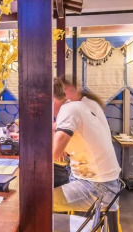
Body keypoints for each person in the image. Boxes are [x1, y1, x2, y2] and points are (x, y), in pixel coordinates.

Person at [52, 78, 123, 211]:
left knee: (39, 201)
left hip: (99, 187)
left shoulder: (69, 109)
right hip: (97, 182)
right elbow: (55, 131)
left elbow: (54, 153)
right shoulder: (76, 106)